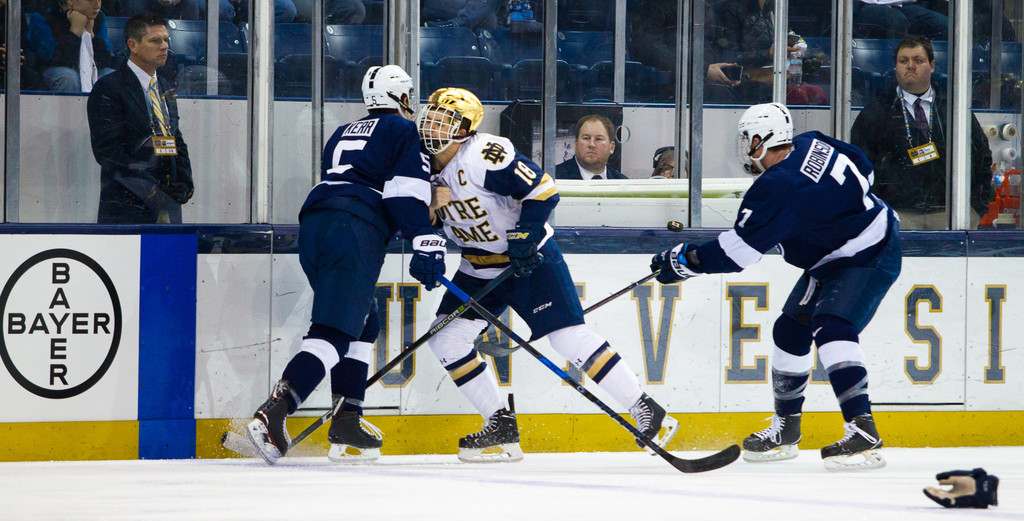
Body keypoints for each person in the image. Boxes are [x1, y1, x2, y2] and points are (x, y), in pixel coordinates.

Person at [416, 88, 678, 462]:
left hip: (530, 260)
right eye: (432, 115)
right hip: (477, 266)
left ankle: (646, 408)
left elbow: (542, 188)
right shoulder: (419, 163)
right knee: (446, 339)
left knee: (567, 339)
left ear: (465, 127)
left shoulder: (483, 154)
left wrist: (527, 232)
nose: (432, 123)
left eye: (444, 118)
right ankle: (501, 426)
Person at [651, 103, 902, 471]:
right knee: (790, 330)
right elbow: (863, 167)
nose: (743, 147)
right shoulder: (812, 142)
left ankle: (863, 429)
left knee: (831, 326)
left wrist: (685, 262)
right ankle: (787, 429)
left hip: (869, 251)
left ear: (760, 140)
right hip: (838, 252)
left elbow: (737, 254)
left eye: (745, 139)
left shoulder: (778, 186)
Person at [245, 65, 448, 465]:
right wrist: (426, 237)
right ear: (404, 98)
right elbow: (402, 194)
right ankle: (274, 412)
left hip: (316, 222)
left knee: (362, 322)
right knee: (333, 332)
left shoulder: (343, 132)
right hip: (353, 229)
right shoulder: (405, 132)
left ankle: (347, 417)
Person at [850, 35, 993, 230]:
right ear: (895, 67)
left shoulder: (954, 111)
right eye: (903, 61)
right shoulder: (876, 112)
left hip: (950, 215)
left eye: (918, 60)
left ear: (932, 65)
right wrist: (875, 212)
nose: (910, 66)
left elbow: (981, 157)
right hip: (897, 216)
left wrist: (976, 208)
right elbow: (858, 167)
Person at [87, 12, 194, 223]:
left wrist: (185, 182)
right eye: (155, 40)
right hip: (128, 208)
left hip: (167, 206)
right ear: (133, 45)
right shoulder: (108, 88)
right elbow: (109, 153)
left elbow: (175, 138)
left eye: (166, 40)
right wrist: (153, 191)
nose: (164, 46)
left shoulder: (163, 86)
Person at [713, 0, 828, 106]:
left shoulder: (776, 7)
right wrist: (768, 54)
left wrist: (807, 59)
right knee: (797, 95)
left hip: (778, 77)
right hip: (747, 81)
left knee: (818, 94)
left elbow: (790, 42)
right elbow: (728, 58)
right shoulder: (732, 8)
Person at [27, 0, 116, 92]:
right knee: (68, 77)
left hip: (90, 69)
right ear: (70, 1)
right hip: (52, 70)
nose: (97, 6)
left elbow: (105, 60)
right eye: (90, 0)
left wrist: (90, 36)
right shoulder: (42, 16)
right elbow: (52, 59)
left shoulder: (98, 16)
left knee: (111, 76)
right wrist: (75, 31)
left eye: (99, 0)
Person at [554, 115, 627, 180]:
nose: (591, 144)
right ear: (576, 144)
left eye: (598, 139)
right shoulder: (552, 178)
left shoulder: (622, 183)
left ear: (611, 147)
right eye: (586, 138)